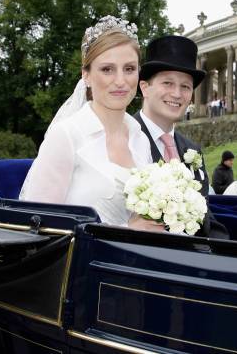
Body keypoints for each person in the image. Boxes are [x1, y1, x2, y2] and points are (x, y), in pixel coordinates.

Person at [20, 15, 161, 232]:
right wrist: (128, 230)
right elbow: (37, 227)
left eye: (129, 69)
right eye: (107, 69)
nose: (121, 81)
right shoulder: (66, 136)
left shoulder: (140, 138)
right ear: (86, 75)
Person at [134, 35, 228, 238]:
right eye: (167, 83)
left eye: (185, 86)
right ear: (145, 87)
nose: (177, 94)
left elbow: (205, 219)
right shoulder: (123, 139)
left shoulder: (192, 150)